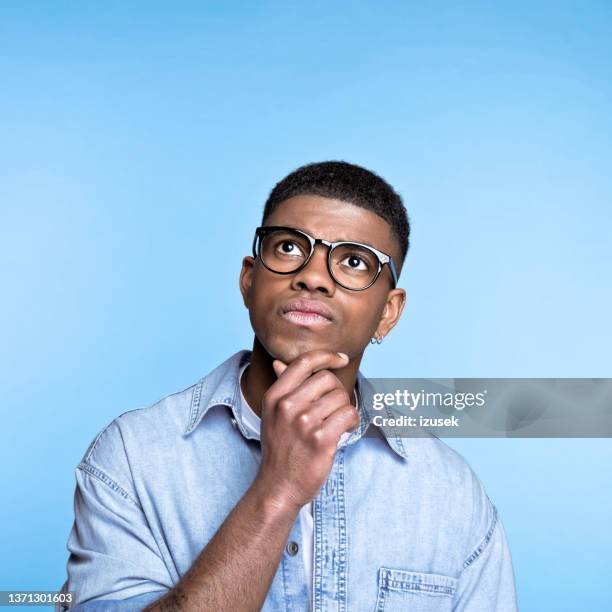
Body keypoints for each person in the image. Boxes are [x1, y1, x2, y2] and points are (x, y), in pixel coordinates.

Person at [58, 161, 518, 611]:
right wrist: (277, 492)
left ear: (388, 313)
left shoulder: (449, 492)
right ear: (248, 279)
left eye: (354, 261)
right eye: (288, 248)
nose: (313, 277)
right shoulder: (133, 458)